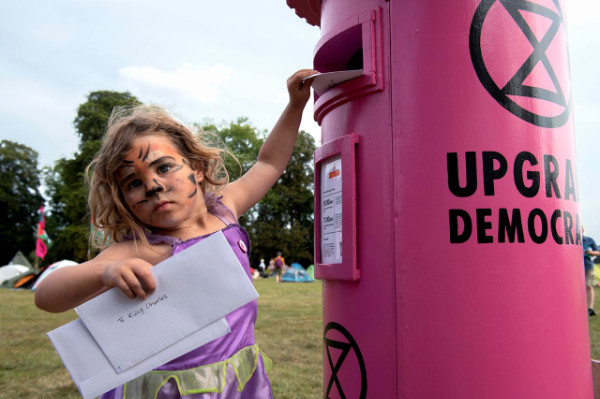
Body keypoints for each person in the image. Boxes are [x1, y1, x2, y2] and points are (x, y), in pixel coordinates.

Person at [34, 69, 317, 398]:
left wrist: (295, 105)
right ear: (123, 198)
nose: (153, 186)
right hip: (167, 391)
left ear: (196, 168)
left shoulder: (225, 210)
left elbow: (268, 163)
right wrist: (105, 271)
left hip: (237, 382)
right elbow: (46, 297)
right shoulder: (141, 248)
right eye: (134, 183)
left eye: (163, 167)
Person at [583, 228, 600, 316]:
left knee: (589, 286)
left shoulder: (589, 240)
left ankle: (590, 308)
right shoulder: (572, 240)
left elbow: (598, 252)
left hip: (588, 267)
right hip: (576, 268)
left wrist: (592, 253)